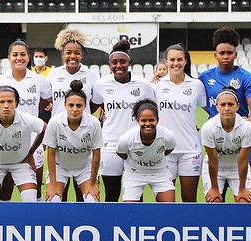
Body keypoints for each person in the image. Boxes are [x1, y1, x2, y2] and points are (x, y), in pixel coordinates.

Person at [198, 27, 251, 202]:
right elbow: (193, 97)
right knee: (216, 195)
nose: (225, 56)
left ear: (235, 54)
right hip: (216, 138)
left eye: (229, 53)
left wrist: (248, 123)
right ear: (215, 55)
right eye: (222, 53)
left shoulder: (245, 77)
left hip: (240, 138)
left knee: (248, 193)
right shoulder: (205, 77)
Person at [90, 39, 156, 202]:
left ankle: (135, 227)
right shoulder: (101, 84)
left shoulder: (144, 85)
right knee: (111, 194)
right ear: (109, 64)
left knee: (136, 196)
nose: (118, 66)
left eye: (122, 62)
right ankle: (110, 227)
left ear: (130, 62)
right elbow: (91, 109)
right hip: (110, 144)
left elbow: (153, 113)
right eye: (114, 63)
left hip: (137, 145)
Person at [0, 40, 51, 201]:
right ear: (9, 58)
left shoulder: (39, 80)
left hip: (31, 141)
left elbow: (47, 101)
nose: (19, 58)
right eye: (15, 54)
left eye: (23, 54)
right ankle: (5, 223)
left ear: (28, 57)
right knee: (6, 189)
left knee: (35, 189)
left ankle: (37, 223)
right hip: (5, 142)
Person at [0, 86, 46, 202]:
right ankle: (1, 220)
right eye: (2, 102)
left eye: (10, 101)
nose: (6, 105)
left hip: (21, 164)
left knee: (31, 202)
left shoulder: (26, 119)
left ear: (16, 103)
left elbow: (45, 129)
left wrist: (31, 152)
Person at [153, 43, 207, 202]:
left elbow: (209, 109)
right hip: (164, 149)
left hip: (190, 149)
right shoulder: (156, 85)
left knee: (189, 199)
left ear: (185, 61)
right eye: (172, 60)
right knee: (166, 200)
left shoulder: (196, 85)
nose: (175, 63)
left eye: (179, 59)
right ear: (166, 61)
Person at [43, 79, 102, 202]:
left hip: (84, 167)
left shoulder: (94, 123)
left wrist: (92, 183)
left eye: (79, 105)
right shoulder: (55, 122)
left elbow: (96, 155)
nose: (75, 109)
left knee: (92, 200)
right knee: (53, 200)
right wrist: (53, 185)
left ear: (85, 106)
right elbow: (51, 154)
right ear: (65, 105)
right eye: (71, 105)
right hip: (60, 167)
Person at [200, 87, 251, 203]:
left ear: (237, 106)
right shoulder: (208, 127)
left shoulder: (248, 127)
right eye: (223, 104)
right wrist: (214, 188)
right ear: (217, 107)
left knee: (244, 201)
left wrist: (242, 188)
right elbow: (213, 159)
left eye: (230, 104)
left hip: (237, 168)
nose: (226, 108)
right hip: (216, 168)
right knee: (214, 202)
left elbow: (243, 159)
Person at [116, 99, 176, 203]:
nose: (147, 124)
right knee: (130, 211)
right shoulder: (126, 138)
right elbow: (120, 152)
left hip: (160, 172)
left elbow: (169, 149)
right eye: (143, 120)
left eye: (151, 120)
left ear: (157, 120)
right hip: (134, 174)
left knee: (169, 209)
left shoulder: (168, 136)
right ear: (138, 120)